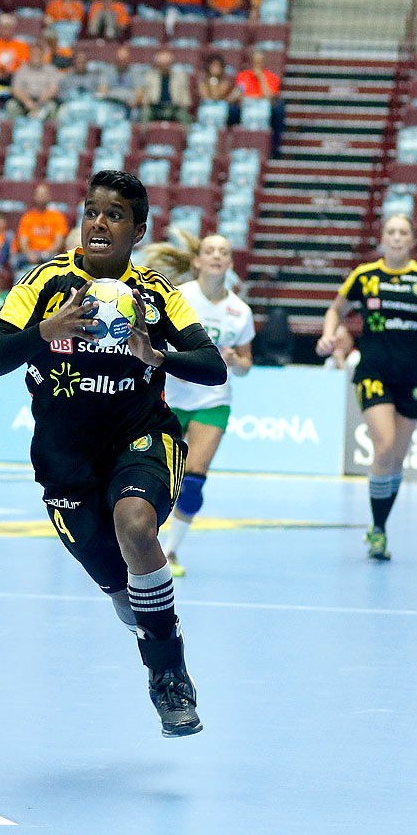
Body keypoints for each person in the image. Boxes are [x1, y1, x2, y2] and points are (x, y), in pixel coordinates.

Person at [0, 169, 225, 737]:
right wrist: (46, 330)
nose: (98, 223)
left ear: (138, 229)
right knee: (127, 598)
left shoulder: (155, 294)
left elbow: (213, 368)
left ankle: (171, 679)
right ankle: (158, 639)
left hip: (140, 438)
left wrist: (154, 353)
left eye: (114, 215)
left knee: (136, 524)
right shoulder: (44, 283)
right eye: (91, 211)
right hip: (65, 460)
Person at [317, 215, 417, 561]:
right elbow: (336, 309)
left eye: (403, 232)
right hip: (373, 371)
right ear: (383, 239)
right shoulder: (364, 276)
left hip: (411, 375)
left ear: (412, 240)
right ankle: (377, 529)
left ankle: (380, 527)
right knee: (385, 445)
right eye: (391, 232)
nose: (396, 238)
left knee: (397, 458)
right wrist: (328, 335)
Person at [159, 234, 253, 578]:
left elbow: (245, 365)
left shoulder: (240, 312)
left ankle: (170, 552)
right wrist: (175, 363)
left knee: (194, 481)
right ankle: (141, 547)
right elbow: (157, 338)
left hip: (212, 400)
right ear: (197, 261)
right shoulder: (180, 297)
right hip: (169, 396)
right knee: (155, 474)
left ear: (229, 263)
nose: (217, 256)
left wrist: (234, 361)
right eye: (210, 251)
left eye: (224, 252)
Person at [235, 47, 286, 152]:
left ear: (264, 62)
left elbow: (269, 96)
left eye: (259, 62)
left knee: (272, 110)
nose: (257, 65)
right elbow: (238, 94)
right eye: (255, 62)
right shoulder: (243, 75)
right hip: (247, 104)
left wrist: (261, 77)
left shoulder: (272, 77)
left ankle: (267, 148)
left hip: (263, 105)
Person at [15, 184, 70, 270]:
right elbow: (23, 241)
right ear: (34, 196)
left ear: (49, 196)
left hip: (49, 254)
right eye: (39, 194)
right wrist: (29, 254)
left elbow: (59, 242)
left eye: (44, 194)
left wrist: (46, 253)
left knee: (60, 260)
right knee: (15, 260)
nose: (42, 197)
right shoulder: (28, 217)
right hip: (31, 253)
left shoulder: (57, 216)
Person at [7, 38, 61, 120]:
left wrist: (41, 101)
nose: (36, 56)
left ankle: (50, 132)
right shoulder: (22, 69)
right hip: (25, 101)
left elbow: (53, 89)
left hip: (44, 100)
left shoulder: (50, 69)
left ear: (43, 55)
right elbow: (16, 89)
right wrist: (27, 101)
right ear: (29, 54)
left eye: (38, 54)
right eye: (34, 53)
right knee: (11, 105)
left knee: (52, 107)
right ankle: (11, 131)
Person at [136, 48, 193, 124]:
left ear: (171, 63)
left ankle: (188, 135)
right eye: (161, 64)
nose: (164, 66)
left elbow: (186, 98)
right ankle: (142, 135)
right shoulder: (149, 76)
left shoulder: (180, 77)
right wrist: (145, 102)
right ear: (157, 64)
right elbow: (144, 95)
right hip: (155, 108)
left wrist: (184, 104)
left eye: (167, 64)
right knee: (144, 113)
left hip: (174, 108)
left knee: (184, 115)